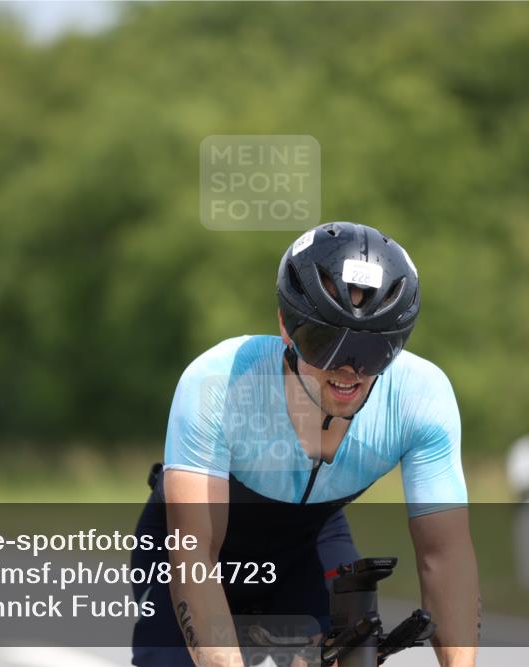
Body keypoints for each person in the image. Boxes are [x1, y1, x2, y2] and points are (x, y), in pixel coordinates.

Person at [131, 222, 480, 667]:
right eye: (325, 342)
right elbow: (195, 553)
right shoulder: (217, 383)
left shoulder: (421, 397)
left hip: (306, 547)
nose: (348, 369)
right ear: (285, 326)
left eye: (373, 350)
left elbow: (444, 556)